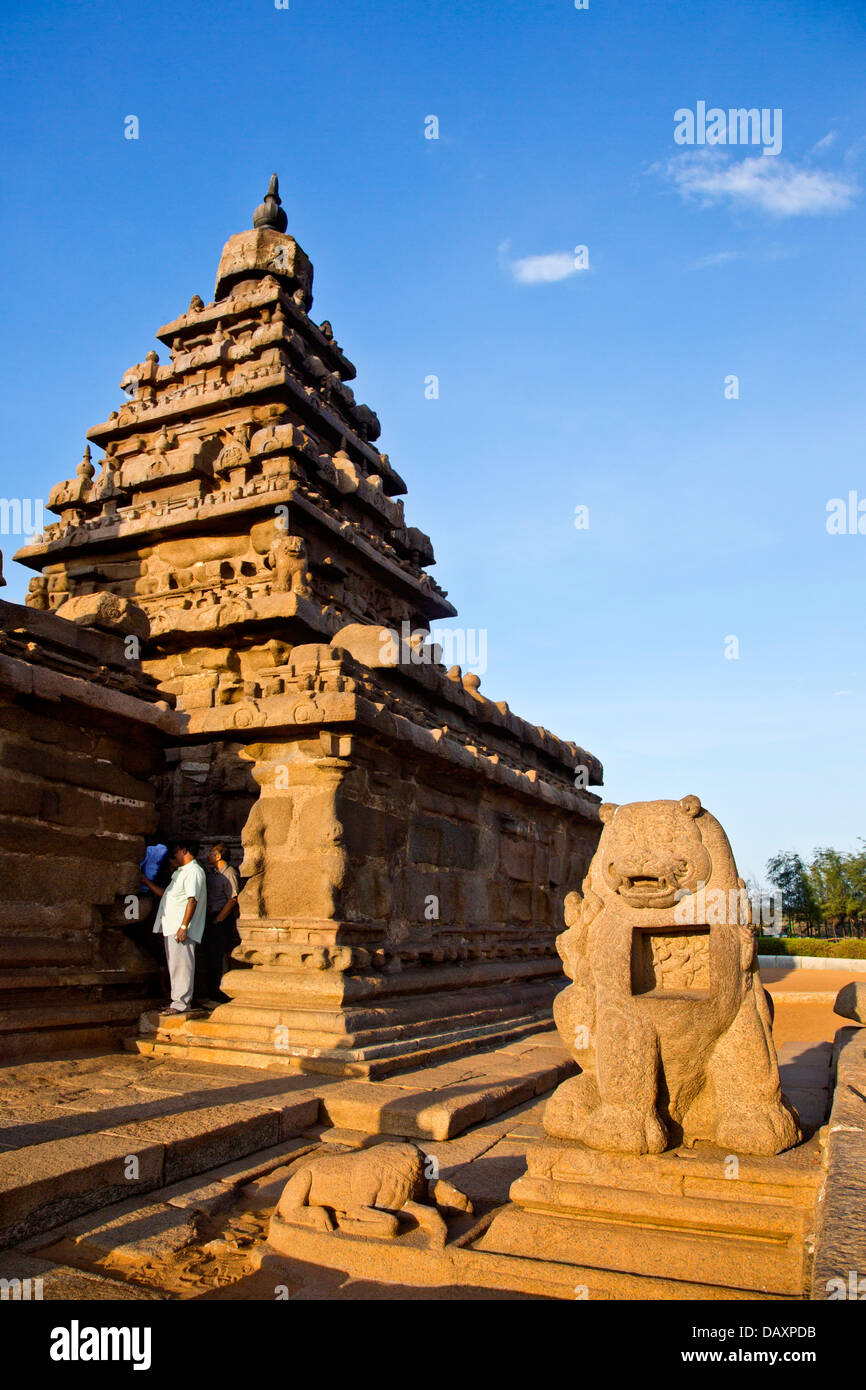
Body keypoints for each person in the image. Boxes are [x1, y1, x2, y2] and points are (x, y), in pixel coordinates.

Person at [141, 839, 207, 1015]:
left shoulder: (193, 871)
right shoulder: (182, 872)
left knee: (182, 965)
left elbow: (192, 899)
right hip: (172, 926)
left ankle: (181, 1003)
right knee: (175, 965)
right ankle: (177, 1000)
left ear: (184, 851)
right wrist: (145, 881)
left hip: (181, 927)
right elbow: (167, 895)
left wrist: (184, 925)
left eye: (177, 852)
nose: (175, 856)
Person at [199, 843, 240, 1007]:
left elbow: (232, 898)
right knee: (210, 956)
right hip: (210, 916)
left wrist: (219, 919)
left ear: (218, 856)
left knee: (219, 955)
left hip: (221, 917)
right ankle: (211, 991)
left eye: (211, 853)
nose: (208, 855)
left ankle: (220, 993)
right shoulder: (212, 873)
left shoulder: (229, 873)